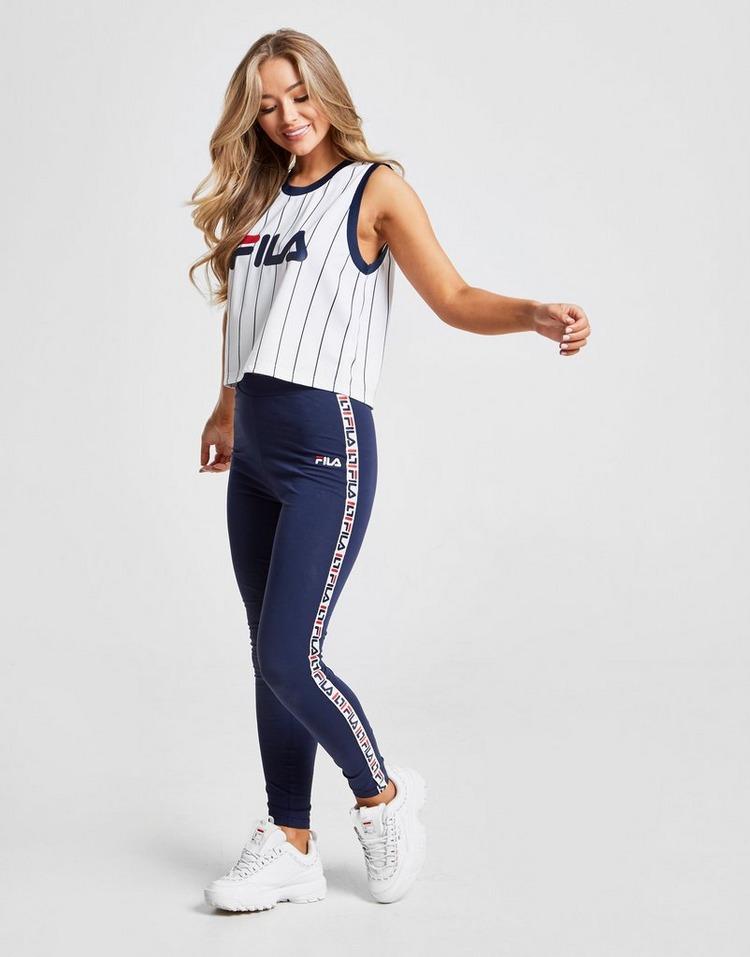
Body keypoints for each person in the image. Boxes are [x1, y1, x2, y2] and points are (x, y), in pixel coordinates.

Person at [188, 28, 591, 913]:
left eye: (300, 95)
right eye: (267, 105)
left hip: (324, 446)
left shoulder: (374, 188)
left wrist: (532, 311)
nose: (288, 116)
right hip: (254, 452)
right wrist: (225, 406)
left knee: (291, 654)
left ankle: (382, 796)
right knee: (267, 656)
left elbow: (452, 295)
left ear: (326, 91)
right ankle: (290, 840)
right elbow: (244, 313)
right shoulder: (260, 200)